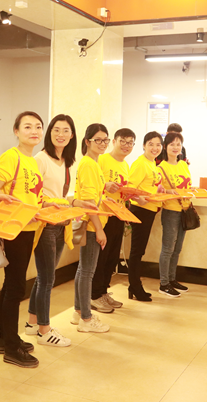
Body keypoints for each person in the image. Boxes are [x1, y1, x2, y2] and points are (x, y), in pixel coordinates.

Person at [0, 111, 45, 368]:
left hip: (28, 228)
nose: (34, 131)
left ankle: (6, 338)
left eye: (38, 127)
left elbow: (31, 195)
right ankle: (11, 347)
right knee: (15, 288)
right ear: (16, 131)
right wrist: (21, 209)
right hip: (14, 230)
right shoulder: (10, 157)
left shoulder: (32, 161)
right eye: (27, 127)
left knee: (12, 286)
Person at [24, 114, 77, 347]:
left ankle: (31, 323)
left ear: (72, 135)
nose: (60, 134)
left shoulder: (67, 161)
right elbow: (33, 195)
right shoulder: (40, 159)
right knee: (47, 279)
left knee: (44, 276)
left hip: (61, 224)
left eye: (65, 131)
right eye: (56, 130)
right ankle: (44, 330)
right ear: (49, 132)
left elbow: (62, 195)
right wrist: (50, 206)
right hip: (45, 225)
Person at [90, 128, 136, 313]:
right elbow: (91, 186)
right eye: (122, 141)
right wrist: (105, 185)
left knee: (111, 258)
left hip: (118, 215)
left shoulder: (125, 165)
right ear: (114, 141)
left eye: (130, 143)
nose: (126, 146)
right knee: (101, 258)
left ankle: (103, 292)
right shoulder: (101, 160)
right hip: (103, 217)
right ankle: (94, 295)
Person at [71, 123, 111, 332]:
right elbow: (88, 201)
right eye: (98, 140)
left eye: (105, 140)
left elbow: (95, 196)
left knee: (83, 269)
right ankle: (86, 319)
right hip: (91, 225)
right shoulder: (88, 164)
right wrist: (99, 229)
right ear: (87, 141)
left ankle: (78, 311)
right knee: (87, 271)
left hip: (92, 223)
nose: (103, 144)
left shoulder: (93, 163)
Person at [128, 131, 164, 301]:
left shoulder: (152, 164)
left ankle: (133, 286)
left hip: (149, 210)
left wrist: (160, 191)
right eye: (151, 144)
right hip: (140, 210)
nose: (155, 148)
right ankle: (135, 286)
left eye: (158, 145)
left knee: (140, 250)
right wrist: (138, 199)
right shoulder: (140, 163)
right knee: (137, 250)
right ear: (143, 145)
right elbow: (130, 188)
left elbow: (148, 187)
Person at [157, 131, 191, 297]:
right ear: (165, 147)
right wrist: (171, 191)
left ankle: (172, 279)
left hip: (184, 210)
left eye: (179, 144)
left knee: (177, 248)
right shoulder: (161, 167)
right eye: (172, 144)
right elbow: (158, 190)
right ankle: (164, 283)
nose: (176, 147)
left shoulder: (184, 165)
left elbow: (188, 185)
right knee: (168, 248)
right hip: (170, 210)